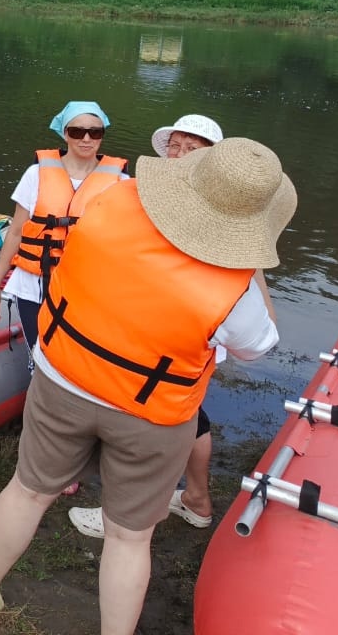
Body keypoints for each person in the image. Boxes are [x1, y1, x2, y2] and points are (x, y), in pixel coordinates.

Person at [0, 138, 295, 633]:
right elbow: (256, 345)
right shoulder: (236, 284)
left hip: (62, 378)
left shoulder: (111, 198)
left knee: (27, 492)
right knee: (130, 538)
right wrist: (252, 264)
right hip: (151, 414)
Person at [68, 113, 227, 538]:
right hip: (173, 327)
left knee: (144, 412)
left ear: (213, 160)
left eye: (192, 149)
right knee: (191, 412)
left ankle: (123, 515)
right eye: (175, 146)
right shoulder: (176, 199)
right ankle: (196, 499)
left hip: (170, 327)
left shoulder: (208, 212)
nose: (179, 155)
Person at [0, 101, 126, 350]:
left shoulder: (120, 182)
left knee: (73, 358)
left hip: (85, 287)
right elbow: (16, 232)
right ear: (64, 133)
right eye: (76, 131)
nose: (86, 139)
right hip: (33, 284)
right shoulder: (35, 174)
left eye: (95, 132)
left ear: (102, 136)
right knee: (38, 352)